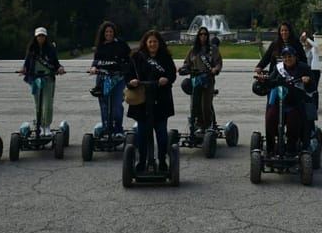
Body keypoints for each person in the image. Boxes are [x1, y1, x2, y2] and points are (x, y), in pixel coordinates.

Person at [126, 30, 176, 173]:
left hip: (161, 101)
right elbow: (128, 74)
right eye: (150, 42)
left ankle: (162, 161)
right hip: (141, 102)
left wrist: (166, 79)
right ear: (146, 43)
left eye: (155, 42)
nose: (153, 44)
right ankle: (141, 161)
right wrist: (132, 82)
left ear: (159, 43)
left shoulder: (165, 57)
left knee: (161, 135)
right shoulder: (137, 57)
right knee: (141, 134)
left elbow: (172, 74)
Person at [261, 47, 311, 155]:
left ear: (295, 57)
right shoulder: (278, 68)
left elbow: (312, 86)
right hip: (278, 102)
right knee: (270, 119)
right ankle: (272, 147)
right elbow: (270, 82)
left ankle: (291, 147)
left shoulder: (303, 68)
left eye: (290, 56)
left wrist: (307, 81)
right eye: (285, 57)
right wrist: (263, 80)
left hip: (294, 103)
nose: (288, 59)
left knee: (293, 122)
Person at [18, 27, 65, 135]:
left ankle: (46, 126)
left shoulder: (51, 49)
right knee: (38, 104)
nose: (41, 37)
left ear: (46, 37)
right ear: (35, 37)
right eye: (39, 36)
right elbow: (26, 64)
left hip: (48, 79)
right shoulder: (31, 49)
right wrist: (23, 69)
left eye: (43, 36)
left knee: (47, 104)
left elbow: (56, 64)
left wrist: (60, 68)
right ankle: (39, 125)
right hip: (35, 80)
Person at [87, 21, 131, 138]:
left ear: (114, 32)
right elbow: (96, 61)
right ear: (103, 33)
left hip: (118, 79)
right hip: (103, 79)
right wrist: (93, 68)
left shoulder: (121, 44)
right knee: (104, 105)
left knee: (116, 105)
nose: (109, 34)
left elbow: (129, 58)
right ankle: (106, 128)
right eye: (106, 32)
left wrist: (126, 69)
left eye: (111, 31)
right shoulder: (100, 46)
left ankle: (118, 129)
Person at [181, 27, 222, 134]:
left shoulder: (213, 49)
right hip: (195, 79)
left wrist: (215, 69)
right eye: (201, 34)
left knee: (205, 105)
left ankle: (207, 125)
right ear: (198, 36)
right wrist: (184, 68)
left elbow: (218, 63)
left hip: (208, 80)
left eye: (205, 34)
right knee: (195, 104)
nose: (203, 36)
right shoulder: (193, 50)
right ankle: (197, 124)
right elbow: (187, 63)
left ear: (208, 36)